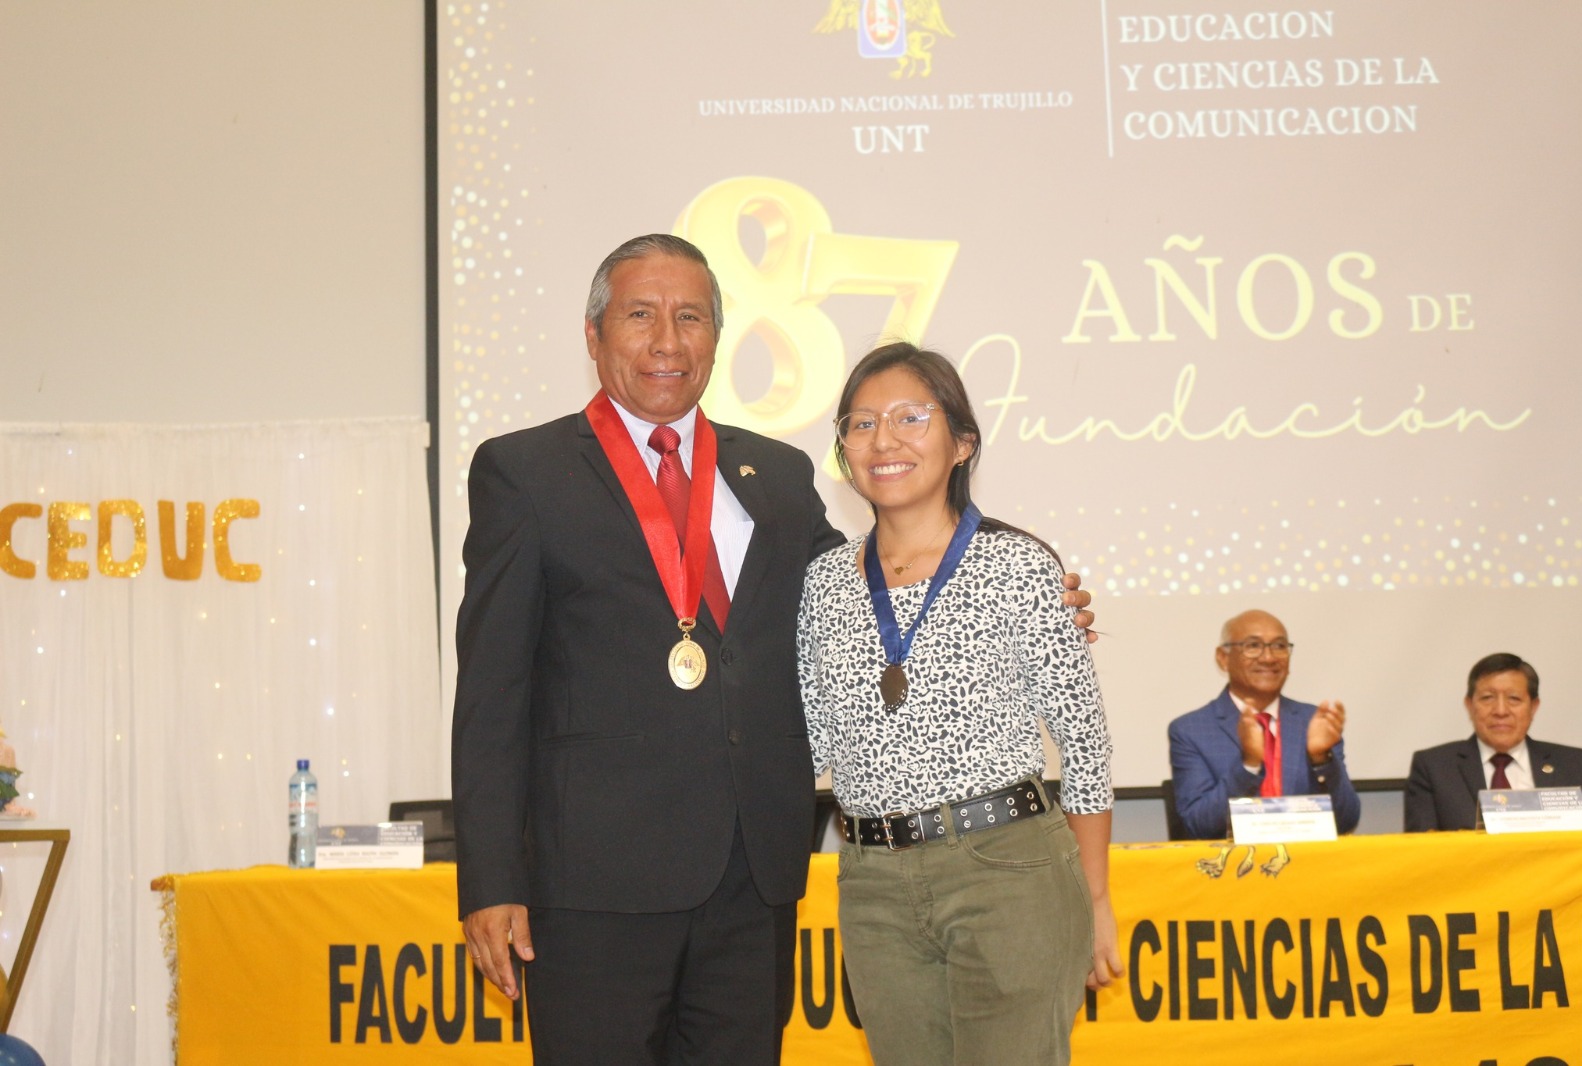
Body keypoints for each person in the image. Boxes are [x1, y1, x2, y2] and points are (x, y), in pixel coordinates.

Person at [450, 236, 1096, 1065]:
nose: (667, 341)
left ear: (717, 339)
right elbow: (492, 695)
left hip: (750, 881)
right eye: (640, 316)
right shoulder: (524, 472)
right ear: (593, 334)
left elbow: (870, 594)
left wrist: (1029, 598)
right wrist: (493, 881)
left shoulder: (777, 474)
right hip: (594, 887)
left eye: (691, 318)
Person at [797, 342, 1121, 1066]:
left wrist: (1096, 898)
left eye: (912, 417)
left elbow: (1086, 743)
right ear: (844, 450)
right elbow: (811, 741)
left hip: (1006, 870)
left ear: (962, 443)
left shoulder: (1019, 565)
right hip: (873, 882)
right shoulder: (821, 583)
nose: (884, 440)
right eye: (860, 422)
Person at [1167, 610, 1360, 840]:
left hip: (1307, 866)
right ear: (1223, 658)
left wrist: (1322, 760)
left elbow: (1347, 820)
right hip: (1235, 870)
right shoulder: (1191, 730)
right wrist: (1248, 766)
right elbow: (1200, 825)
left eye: (1279, 646)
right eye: (1253, 646)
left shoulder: (1314, 721)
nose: (1268, 658)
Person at [1404, 652, 1582, 831]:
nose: (1500, 711)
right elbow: (1422, 850)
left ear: (1533, 707)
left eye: (1514, 699)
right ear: (1469, 705)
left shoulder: (1578, 765)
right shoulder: (1433, 768)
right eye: (1487, 698)